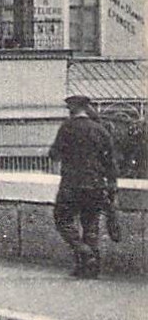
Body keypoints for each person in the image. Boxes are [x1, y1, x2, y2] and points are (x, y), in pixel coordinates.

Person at [49, 93, 118, 278]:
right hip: (96, 186)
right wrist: (111, 187)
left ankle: (83, 251)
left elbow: (54, 154)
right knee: (91, 226)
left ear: (72, 109)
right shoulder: (100, 130)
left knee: (62, 219)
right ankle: (90, 269)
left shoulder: (67, 128)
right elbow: (111, 163)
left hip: (71, 185)